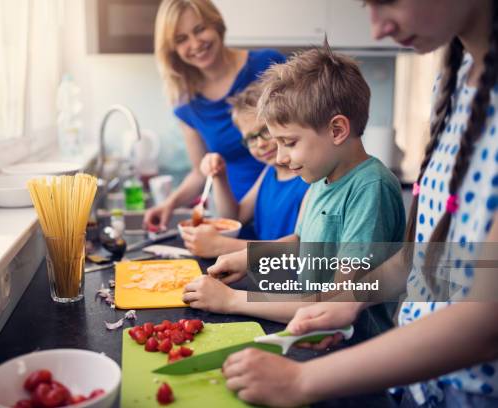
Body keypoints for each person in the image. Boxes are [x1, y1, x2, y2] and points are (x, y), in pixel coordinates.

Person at [220, 1, 498, 407]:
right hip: (417, 384)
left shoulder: (368, 184)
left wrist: (301, 380)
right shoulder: (452, 85)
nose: (377, 28)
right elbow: (415, 261)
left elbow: (486, 324)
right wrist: (350, 298)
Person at [183, 46, 405, 337]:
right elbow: (302, 243)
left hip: (351, 350)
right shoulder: (321, 178)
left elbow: (337, 305)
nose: (279, 158)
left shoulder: (369, 189)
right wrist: (250, 258)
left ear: (337, 130)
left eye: (289, 142)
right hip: (309, 335)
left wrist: (233, 300)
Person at [143, 0, 286, 232]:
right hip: (237, 215)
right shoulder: (187, 103)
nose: (195, 44)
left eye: (199, 30)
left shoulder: (268, 65)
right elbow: (201, 171)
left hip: (287, 200)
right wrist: (170, 204)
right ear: (173, 50)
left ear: (216, 24)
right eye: (181, 39)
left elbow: (302, 132)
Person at [180, 81, 309, 258]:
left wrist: (221, 246)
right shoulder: (269, 172)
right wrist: (220, 176)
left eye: (265, 131)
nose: (261, 144)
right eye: (251, 138)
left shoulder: (309, 179)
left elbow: (301, 251)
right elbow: (235, 217)